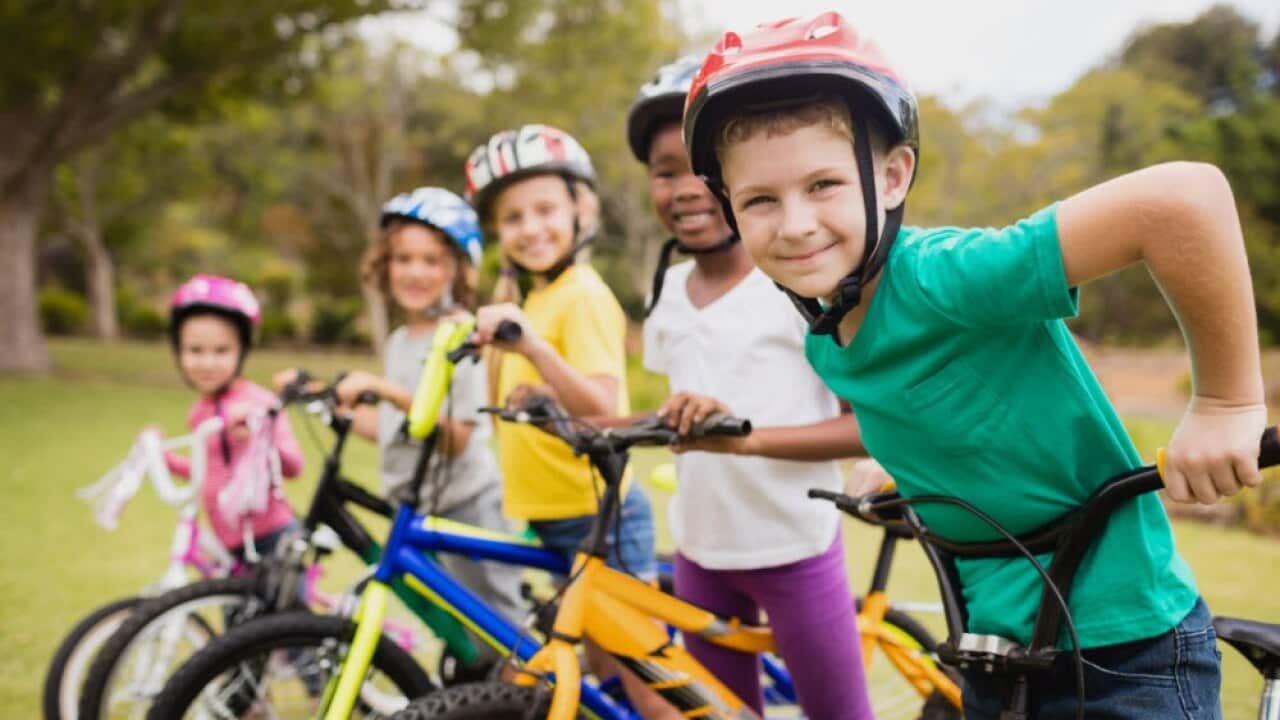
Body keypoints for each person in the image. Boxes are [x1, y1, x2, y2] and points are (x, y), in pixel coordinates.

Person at [682, 12, 1264, 718]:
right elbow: (945, 400)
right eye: (760, 200)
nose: (796, 223)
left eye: (824, 184)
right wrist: (905, 465)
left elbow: (1184, 199)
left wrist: (1226, 403)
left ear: (891, 177)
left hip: (1125, 647)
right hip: (997, 649)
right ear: (730, 211)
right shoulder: (824, 334)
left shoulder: (945, 276)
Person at [628, 55, 873, 718]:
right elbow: (680, 412)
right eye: (665, 172)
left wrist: (746, 438)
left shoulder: (796, 282)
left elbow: (865, 426)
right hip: (700, 552)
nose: (685, 190)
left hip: (795, 548)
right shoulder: (668, 292)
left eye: (702, 171)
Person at [464, 124, 674, 718]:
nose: (531, 228)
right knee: (605, 679)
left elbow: (602, 408)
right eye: (513, 218)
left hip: (598, 515)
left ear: (581, 210)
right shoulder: (534, 299)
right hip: (555, 516)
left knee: (650, 689)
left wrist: (532, 349)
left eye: (545, 210)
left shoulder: (580, 295)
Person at [165, 274, 304, 562]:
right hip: (227, 546)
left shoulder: (261, 403)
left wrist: (258, 435)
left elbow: (293, 467)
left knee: (285, 595)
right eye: (195, 350)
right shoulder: (199, 412)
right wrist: (164, 458)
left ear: (241, 351)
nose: (207, 363)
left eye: (221, 351)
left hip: (272, 539)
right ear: (179, 351)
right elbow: (208, 471)